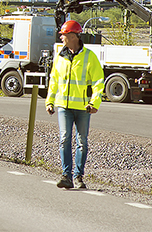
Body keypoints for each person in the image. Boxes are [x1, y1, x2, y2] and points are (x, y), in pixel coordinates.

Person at [46, 20, 104, 190]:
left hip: (83, 108)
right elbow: (54, 81)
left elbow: (98, 82)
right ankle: (66, 176)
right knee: (64, 140)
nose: (61, 38)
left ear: (73, 36)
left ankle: (78, 176)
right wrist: (49, 102)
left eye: (63, 35)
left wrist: (95, 103)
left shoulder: (89, 56)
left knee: (82, 142)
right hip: (63, 106)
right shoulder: (60, 57)